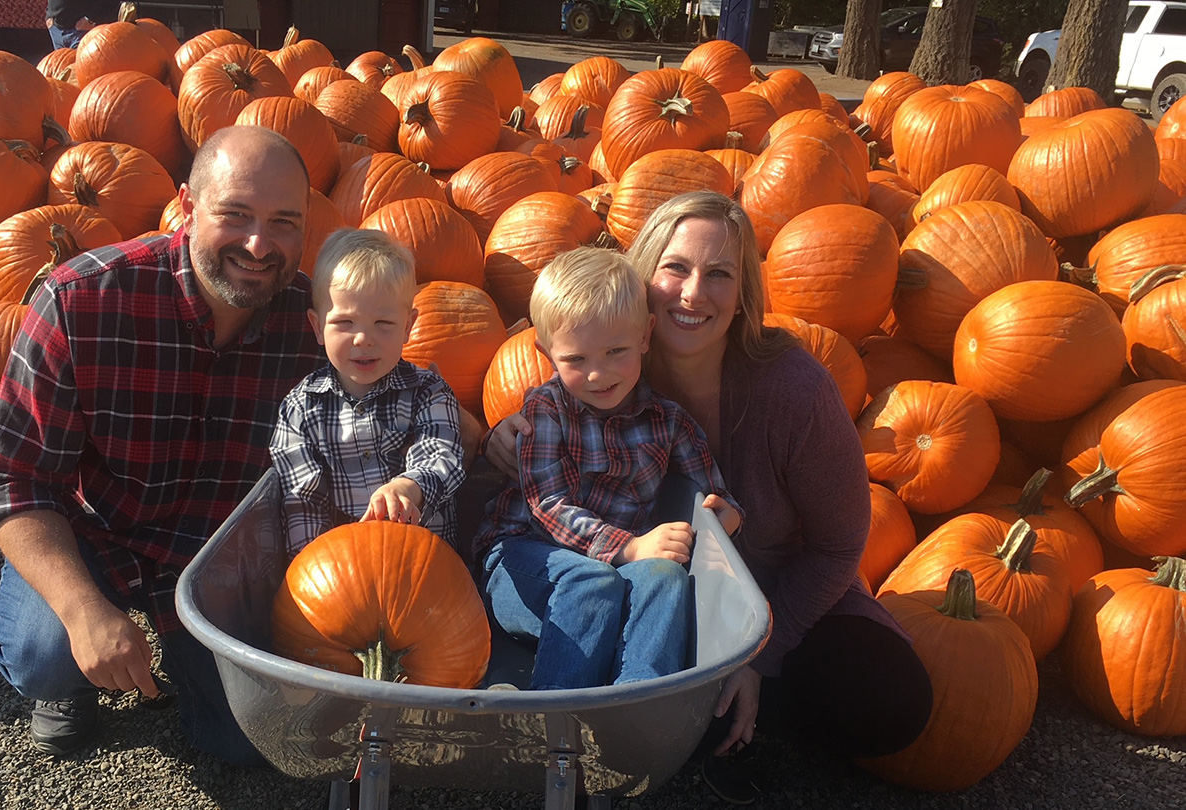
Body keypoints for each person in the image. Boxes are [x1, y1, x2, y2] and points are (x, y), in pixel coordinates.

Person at [485, 192, 932, 802]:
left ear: (744, 291)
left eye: (719, 273)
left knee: (888, 700)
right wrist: (492, 436)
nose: (694, 294)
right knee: (649, 634)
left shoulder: (793, 391)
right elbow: (548, 460)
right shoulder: (607, 363)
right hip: (643, 582)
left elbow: (838, 545)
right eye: (675, 268)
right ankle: (626, 728)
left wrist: (758, 651)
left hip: (774, 593)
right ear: (643, 280)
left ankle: (700, 710)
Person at [0, 126, 326, 761]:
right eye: (235, 215)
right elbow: (11, 478)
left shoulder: (315, 323)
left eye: (284, 222)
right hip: (96, 536)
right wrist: (84, 612)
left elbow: (396, 389)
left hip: (214, 560)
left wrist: (487, 436)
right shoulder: (81, 302)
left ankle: (194, 689)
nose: (259, 244)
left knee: (245, 748)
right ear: (188, 207)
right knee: (45, 653)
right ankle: (70, 677)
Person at [476, 246, 742, 691]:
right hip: (521, 564)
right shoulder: (546, 409)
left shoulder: (668, 421)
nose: (598, 374)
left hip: (615, 569)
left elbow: (711, 491)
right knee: (592, 581)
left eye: (616, 351)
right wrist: (630, 548)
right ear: (546, 352)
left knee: (665, 577)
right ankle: (554, 720)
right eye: (576, 360)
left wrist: (724, 517)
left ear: (645, 335)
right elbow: (550, 505)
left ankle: (634, 710)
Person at [270, 227, 468, 554]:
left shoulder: (428, 392)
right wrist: (319, 569)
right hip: (343, 567)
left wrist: (406, 488)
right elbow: (302, 503)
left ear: (408, 326)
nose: (363, 339)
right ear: (318, 327)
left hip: (426, 563)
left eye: (383, 323)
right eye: (345, 323)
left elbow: (441, 456)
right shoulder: (300, 409)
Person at [45, 0, 116, 50]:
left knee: (87, 68)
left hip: (83, 28)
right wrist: (49, 14)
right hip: (56, 29)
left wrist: (90, 18)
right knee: (61, 69)